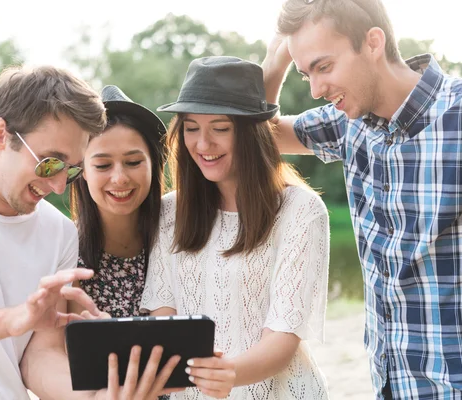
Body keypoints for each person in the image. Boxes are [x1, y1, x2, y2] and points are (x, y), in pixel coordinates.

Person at [262, 0, 462, 399]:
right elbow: (258, 138)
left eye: (323, 67)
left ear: (373, 43)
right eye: (306, 73)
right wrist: (273, 68)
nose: (316, 89)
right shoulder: (349, 126)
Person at [0, 65, 178, 400]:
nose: (59, 185)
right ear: (0, 134)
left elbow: (39, 355)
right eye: (49, 163)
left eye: (72, 169)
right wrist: (8, 321)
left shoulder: (59, 233)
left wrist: (96, 398)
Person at [140, 56, 330, 400]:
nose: (202, 144)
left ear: (250, 132)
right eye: (191, 127)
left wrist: (229, 374)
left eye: (220, 128)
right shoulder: (169, 210)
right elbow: (163, 311)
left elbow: (284, 335)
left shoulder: (301, 211)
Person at [68, 85, 167, 319]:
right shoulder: (65, 250)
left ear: (154, 163)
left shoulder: (179, 233)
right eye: (103, 165)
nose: (120, 179)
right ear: (82, 169)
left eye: (133, 162)